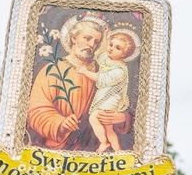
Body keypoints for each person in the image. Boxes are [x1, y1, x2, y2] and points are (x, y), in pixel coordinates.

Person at [27, 12, 133, 151]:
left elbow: (122, 97)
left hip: (94, 151)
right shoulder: (53, 70)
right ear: (74, 38)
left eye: (96, 42)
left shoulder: (105, 70)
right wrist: (61, 123)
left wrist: (122, 117)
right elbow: (36, 111)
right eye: (87, 38)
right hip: (56, 150)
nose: (91, 45)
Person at [78, 25, 140, 153]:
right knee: (108, 128)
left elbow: (102, 78)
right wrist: (106, 36)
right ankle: (118, 150)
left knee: (94, 118)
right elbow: (101, 52)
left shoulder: (119, 70)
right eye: (111, 45)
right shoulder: (108, 58)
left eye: (117, 48)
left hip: (111, 99)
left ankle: (104, 142)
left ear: (124, 54)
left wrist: (85, 72)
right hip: (104, 96)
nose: (111, 49)